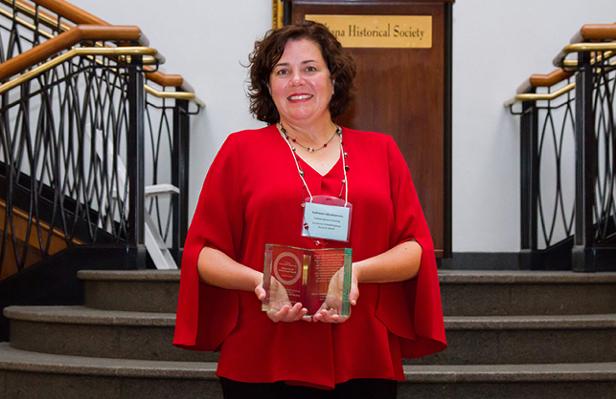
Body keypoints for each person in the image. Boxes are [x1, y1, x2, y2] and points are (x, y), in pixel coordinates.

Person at [173, 21, 446, 398]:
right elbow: (202, 254)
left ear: (334, 80)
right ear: (269, 86)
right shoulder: (240, 151)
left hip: (362, 350)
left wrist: (355, 274)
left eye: (310, 68)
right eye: (282, 71)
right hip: (263, 352)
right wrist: (260, 283)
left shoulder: (381, 150)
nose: (296, 80)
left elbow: (415, 249)